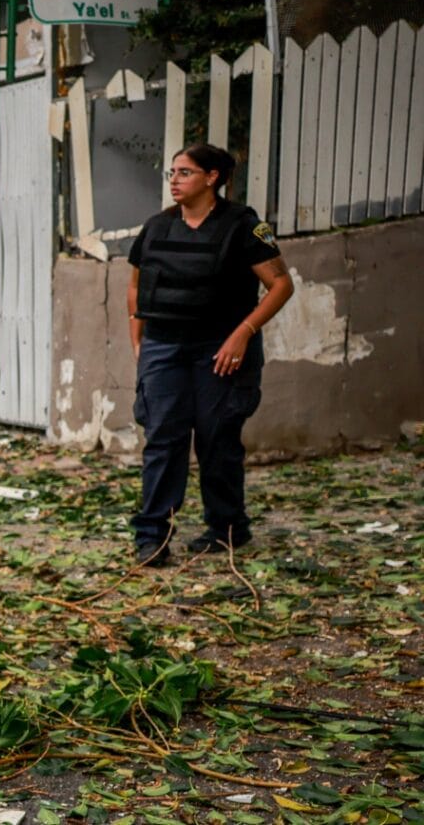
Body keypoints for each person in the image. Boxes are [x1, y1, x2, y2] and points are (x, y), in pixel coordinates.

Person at [128, 143, 294, 567]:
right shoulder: (156, 227)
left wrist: (243, 333)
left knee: (217, 439)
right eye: (172, 172)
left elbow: (281, 285)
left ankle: (227, 529)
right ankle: (153, 538)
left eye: (184, 172)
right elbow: (136, 286)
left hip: (220, 349)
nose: (174, 180)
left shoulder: (245, 226)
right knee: (163, 439)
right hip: (164, 346)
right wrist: (139, 344)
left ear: (212, 178)